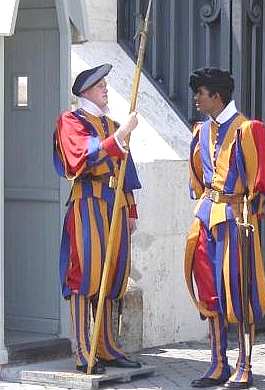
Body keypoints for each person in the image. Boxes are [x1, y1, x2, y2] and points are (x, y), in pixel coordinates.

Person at [184, 68, 265, 389]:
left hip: (236, 218)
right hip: (206, 217)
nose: (196, 98)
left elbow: (263, 182)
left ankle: (245, 365)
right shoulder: (200, 131)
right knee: (210, 292)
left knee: (240, 292)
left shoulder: (248, 130)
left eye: (201, 92)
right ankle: (218, 364)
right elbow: (196, 177)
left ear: (217, 95)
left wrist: (250, 214)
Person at [53, 64, 142, 374]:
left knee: (113, 274)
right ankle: (81, 348)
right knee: (85, 275)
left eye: (105, 84)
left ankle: (105, 346)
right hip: (87, 203)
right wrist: (122, 134)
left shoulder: (113, 124)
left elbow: (125, 171)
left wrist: (130, 210)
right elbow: (86, 157)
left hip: (113, 205)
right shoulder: (71, 121)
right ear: (86, 91)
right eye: (100, 85)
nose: (105, 88)